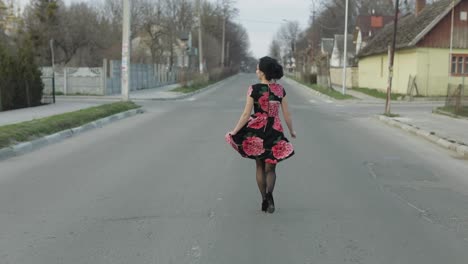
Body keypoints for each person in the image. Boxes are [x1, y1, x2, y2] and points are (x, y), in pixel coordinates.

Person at [225, 56, 296, 213]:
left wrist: (235, 131)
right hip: (275, 131)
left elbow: (245, 114)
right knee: (271, 168)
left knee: (259, 165)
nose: (256, 71)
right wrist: (291, 131)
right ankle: (270, 195)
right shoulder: (280, 90)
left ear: (263, 73)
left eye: (258, 69)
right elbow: (287, 115)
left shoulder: (254, 89)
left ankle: (264, 198)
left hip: (257, 131)